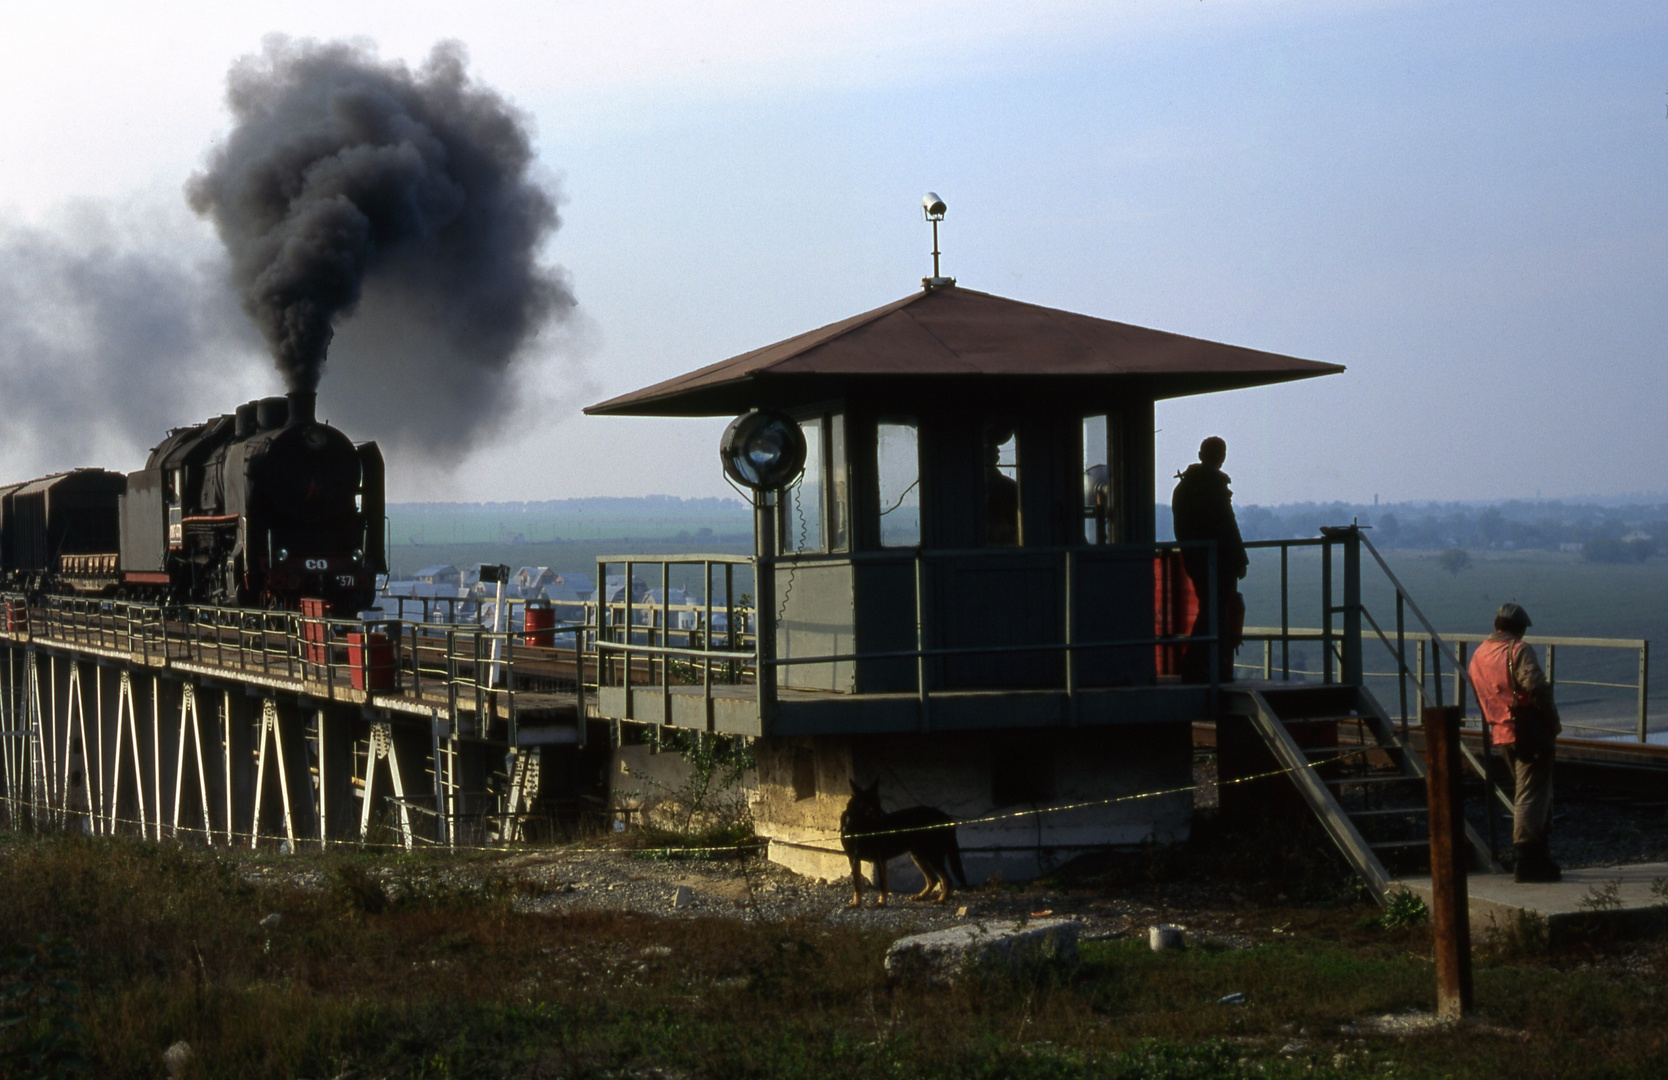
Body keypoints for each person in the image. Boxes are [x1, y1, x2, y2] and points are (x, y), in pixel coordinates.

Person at [1467, 602, 1563, 883]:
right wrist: (1553, 720)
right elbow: (1536, 687)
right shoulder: (1518, 650)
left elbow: (1479, 695)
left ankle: (1540, 859)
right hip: (1528, 731)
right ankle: (1528, 861)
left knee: (1533, 792)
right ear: (1519, 629)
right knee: (1531, 795)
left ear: (1496, 625)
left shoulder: (1478, 655)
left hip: (1501, 733)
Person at [1170, 437, 1248, 682]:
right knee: (1216, 612)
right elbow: (1227, 524)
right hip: (1219, 560)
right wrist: (1239, 558)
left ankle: (1201, 667)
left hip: (1196, 558)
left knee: (1210, 610)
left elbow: (1182, 527)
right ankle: (1203, 667)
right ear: (1221, 457)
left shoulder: (1184, 487)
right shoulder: (1213, 485)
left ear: (1200, 454)